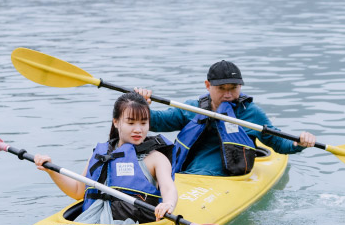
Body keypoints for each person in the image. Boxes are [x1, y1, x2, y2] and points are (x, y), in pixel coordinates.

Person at [135, 60, 315, 177]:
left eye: (234, 88)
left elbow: (278, 143)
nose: (228, 94)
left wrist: (298, 143)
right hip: (186, 170)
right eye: (222, 88)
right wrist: (140, 104)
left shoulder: (251, 113)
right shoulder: (192, 107)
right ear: (208, 86)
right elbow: (157, 121)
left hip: (222, 173)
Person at [33, 92, 178, 225]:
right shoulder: (100, 154)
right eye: (131, 123)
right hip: (92, 223)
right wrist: (51, 170)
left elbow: (168, 188)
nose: (138, 129)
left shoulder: (156, 158)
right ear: (116, 122)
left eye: (143, 123)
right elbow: (78, 191)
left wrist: (168, 204)